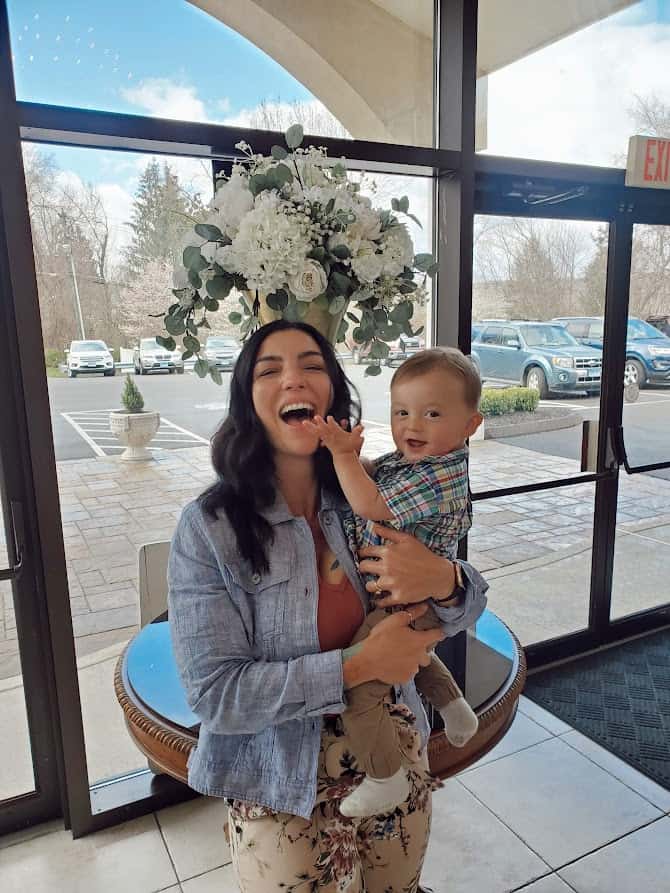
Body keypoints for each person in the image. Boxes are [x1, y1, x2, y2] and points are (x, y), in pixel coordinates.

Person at [168, 320, 488, 893]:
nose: (294, 377)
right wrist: (359, 666)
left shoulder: (369, 496)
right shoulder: (208, 527)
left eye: (312, 365)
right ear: (247, 400)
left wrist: (445, 578)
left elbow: (465, 608)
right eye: (270, 369)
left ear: (334, 396)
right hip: (277, 774)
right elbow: (215, 694)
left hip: (393, 750)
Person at [304, 348, 483, 818]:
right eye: (402, 412)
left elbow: (369, 504)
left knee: (360, 694)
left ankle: (385, 777)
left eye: (432, 413)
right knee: (412, 655)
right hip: (406, 601)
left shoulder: (441, 473)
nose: (413, 426)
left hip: (406, 600)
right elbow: (371, 477)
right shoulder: (413, 461)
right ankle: (455, 708)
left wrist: (341, 455)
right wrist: (351, 459)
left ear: (471, 424)